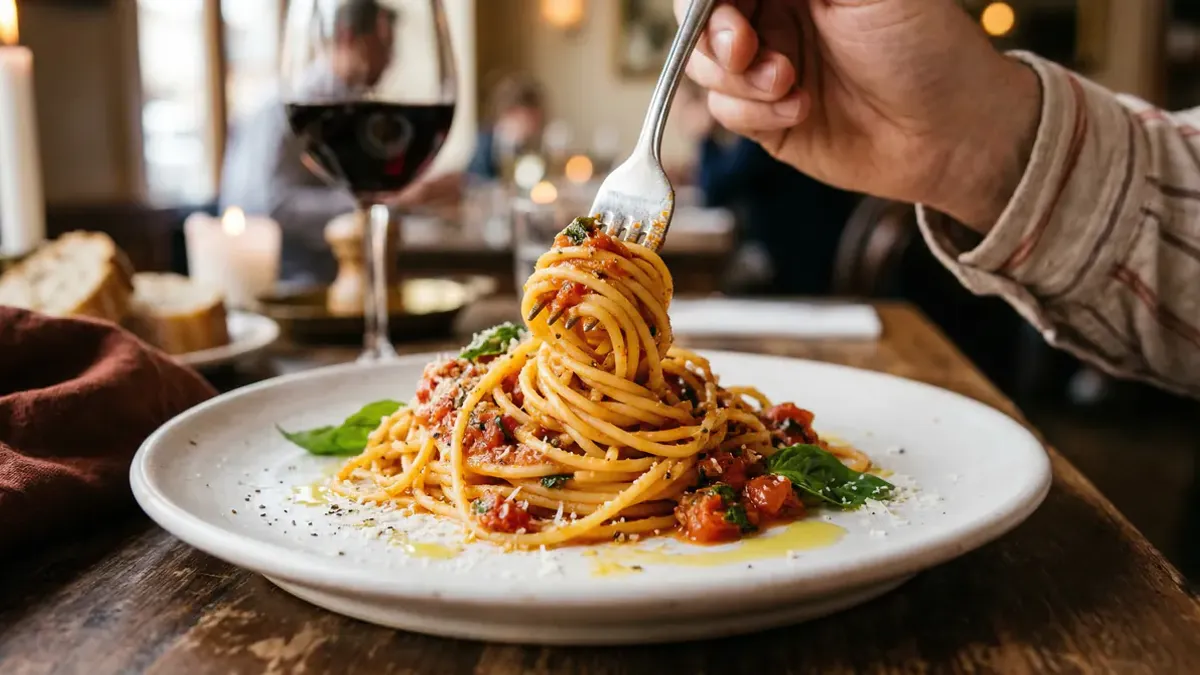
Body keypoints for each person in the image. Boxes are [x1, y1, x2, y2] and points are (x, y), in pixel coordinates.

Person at [675, 0, 1200, 398]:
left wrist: (703, 137)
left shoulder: (771, 114)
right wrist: (978, 143)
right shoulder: (777, 105)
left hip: (812, 270)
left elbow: (719, 188)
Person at [219, 0, 457, 285]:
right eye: (384, 46)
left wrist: (408, 195)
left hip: (345, 280)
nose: (390, 60)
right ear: (347, 36)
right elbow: (267, 206)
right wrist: (391, 200)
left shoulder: (355, 111)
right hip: (294, 284)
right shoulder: (282, 112)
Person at [674, 80, 858, 294]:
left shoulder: (768, 126)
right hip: (801, 251)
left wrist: (704, 135)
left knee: (712, 285)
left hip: (798, 262)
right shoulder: (776, 121)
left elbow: (714, 191)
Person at [468, 75, 546, 181]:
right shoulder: (477, 143)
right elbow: (471, 181)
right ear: (510, 113)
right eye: (529, 120)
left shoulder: (523, 148)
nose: (533, 128)